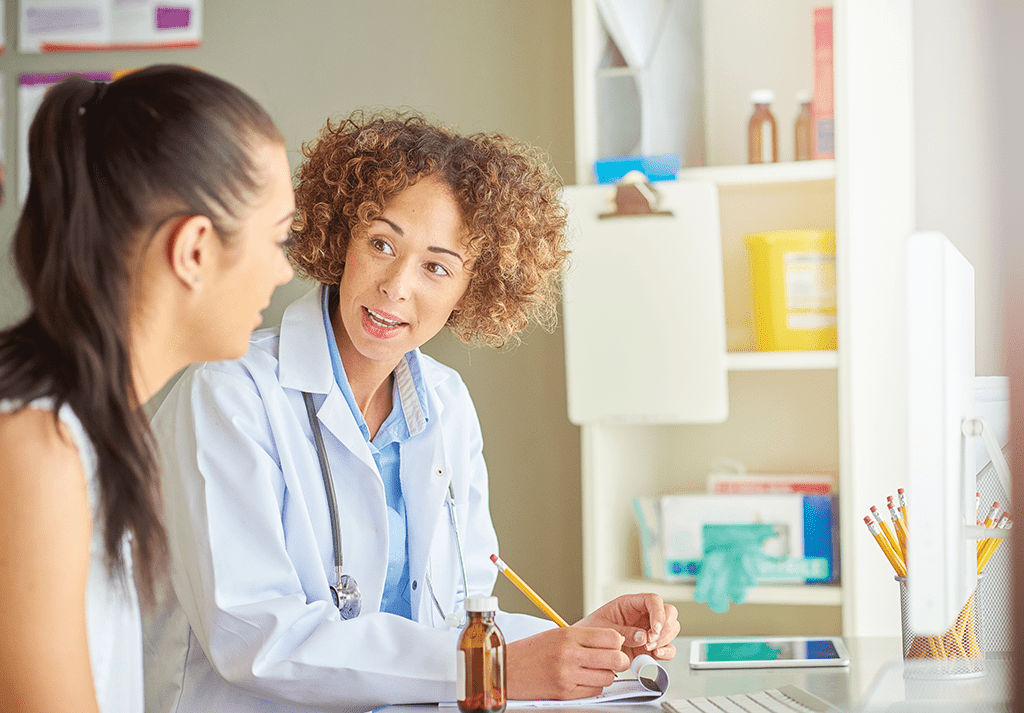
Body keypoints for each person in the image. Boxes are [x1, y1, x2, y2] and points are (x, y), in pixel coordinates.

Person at [143, 111, 680, 713]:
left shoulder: (446, 403)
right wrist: (495, 669)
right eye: (381, 244)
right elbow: (256, 638)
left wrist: (581, 643)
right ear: (340, 238)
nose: (397, 285)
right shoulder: (227, 394)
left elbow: (460, 616)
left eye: (437, 266)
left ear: (472, 289)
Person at [0, 65, 295, 713]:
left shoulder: (94, 426)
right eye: (278, 240)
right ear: (193, 250)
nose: (284, 269)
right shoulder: (36, 447)